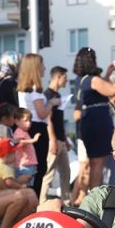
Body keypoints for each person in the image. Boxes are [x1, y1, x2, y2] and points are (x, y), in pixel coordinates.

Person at [73, 47, 115, 189]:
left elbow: (99, 90)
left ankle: (91, 192)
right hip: (97, 122)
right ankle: (95, 193)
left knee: (94, 161)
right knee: (98, 162)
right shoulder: (93, 80)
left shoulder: (82, 79)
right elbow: (114, 90)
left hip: (89, 121)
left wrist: (107, 74)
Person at [17, 53, 57, 197]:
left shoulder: (24, 88)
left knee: (33, 166)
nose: (44, 68)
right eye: (41, 65)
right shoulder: (34, 89)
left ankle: (30, 199)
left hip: (29, 126)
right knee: (40, 167)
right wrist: (51, 103)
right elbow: (41, 113)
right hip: (37, 127)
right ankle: (34, 200)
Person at [42, 66, 72, 204]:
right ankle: (41, 202)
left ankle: (66, 202)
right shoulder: (47, 96)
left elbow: (59, 120)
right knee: (49, 174)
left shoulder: (58, 96)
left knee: (66, 172)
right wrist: (52, 139)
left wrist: (65, 139)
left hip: (60, 140)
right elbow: (48, 120)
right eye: (65, 78)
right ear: (58, 77)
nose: (66, 81)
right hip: (52, 140)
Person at [12, 108, 42, 186]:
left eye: (30, 121)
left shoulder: (24, 132)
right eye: (25, 121)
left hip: (28, 164)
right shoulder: (19, 132)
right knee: (24, 186)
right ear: (17, 121)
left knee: (28, 186)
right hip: (24, 165)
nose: (29, 123)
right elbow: (20, 142)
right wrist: (33, 140)